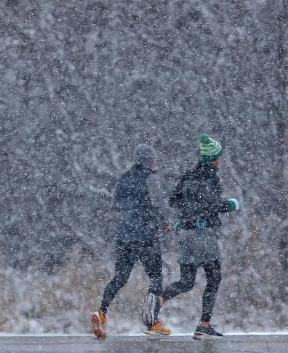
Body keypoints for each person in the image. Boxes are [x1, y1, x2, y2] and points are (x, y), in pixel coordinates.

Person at [160, 133, 240, 340]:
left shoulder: (187, 176)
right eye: (218, 157)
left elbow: (173, 200)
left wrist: (188, 211)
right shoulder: (210, 178)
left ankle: (157, 301)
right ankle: (204, 325)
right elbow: (211, 205)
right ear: (213, 158)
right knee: (214, 278)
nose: (219, 161)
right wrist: (230, 205)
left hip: (185, 235)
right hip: (204, 236)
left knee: (187, 281)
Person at [90, 144, 172, 339]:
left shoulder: (124, 178)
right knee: (156, 277)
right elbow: (159, 204)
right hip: (147, 237)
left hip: (125, 237)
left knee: (120, 278)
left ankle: (101, 313)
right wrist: (165, 223)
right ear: (149, 161)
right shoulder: (151, 179)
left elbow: (116, 206)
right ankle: (152, 322)